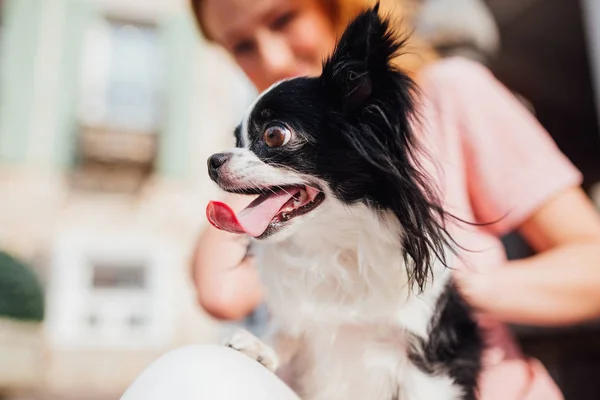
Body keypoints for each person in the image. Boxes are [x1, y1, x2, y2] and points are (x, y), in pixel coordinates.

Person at [127, 0, 600, 399]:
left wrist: (432, 284)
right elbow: (222, 290)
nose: (270, 56)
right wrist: (261, 160)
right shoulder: (284, 165)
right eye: (242, 46)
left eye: (283, 19)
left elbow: (592, 267)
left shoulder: (451, 91)